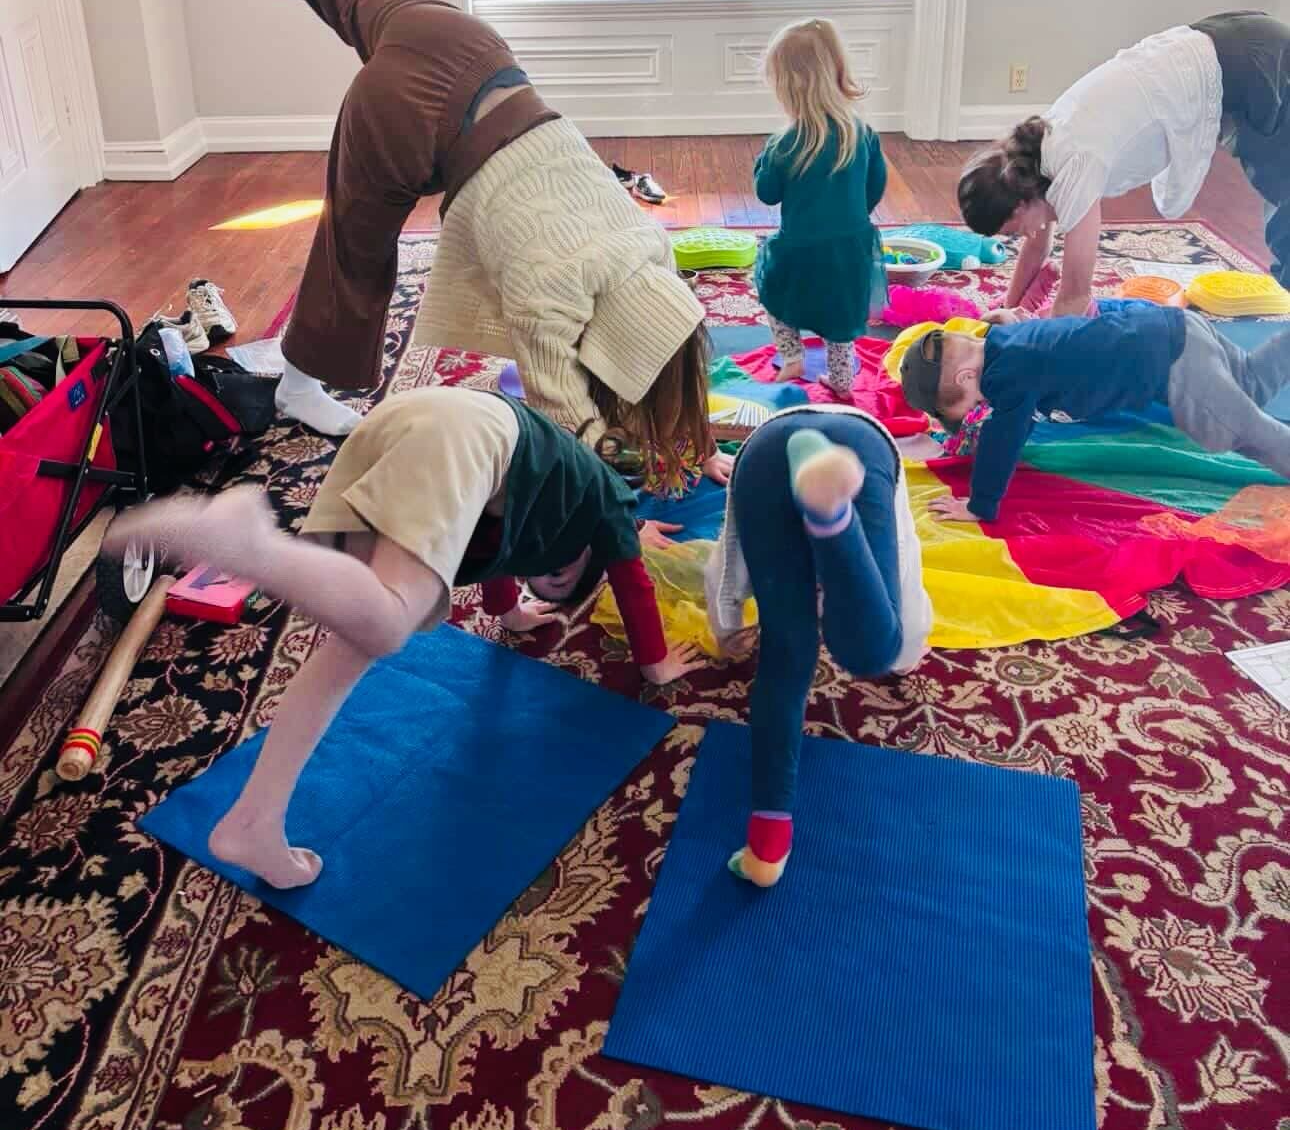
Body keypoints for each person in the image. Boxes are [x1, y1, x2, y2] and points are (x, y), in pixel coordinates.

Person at [203, 0, 728, 515]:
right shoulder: (549, 294)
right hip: (399, 113)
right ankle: (297, 388)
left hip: (465, 45)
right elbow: (563, 419)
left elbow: (680, 353)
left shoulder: (651, 250)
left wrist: (699, 444)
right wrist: (622, 508)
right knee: (354, 251)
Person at [102, 386, 703, 889]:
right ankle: (249, 545)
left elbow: (502, 559)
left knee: (356, 633)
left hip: (408, 423)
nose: (544, 577)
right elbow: (632, 580)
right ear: (588, 555)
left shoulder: (531, 518)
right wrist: (656, 665)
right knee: (391, 623)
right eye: (560, 579)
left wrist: (512, 613)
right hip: (465, 433)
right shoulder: (609, 503)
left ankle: (255, 820)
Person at [705, 407, 932, 887]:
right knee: (873, 651)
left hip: (765, 452)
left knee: (785, 659)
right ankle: (832, 519)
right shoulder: (870, 453)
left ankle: (766, 851)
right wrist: (907, 653)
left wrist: (727, 630)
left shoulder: (760, 458)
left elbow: (726, 560)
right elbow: (907, 572)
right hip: (856, 442)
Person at [956, 13, 1290, 316]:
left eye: (1013, 230)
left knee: (1284, 214)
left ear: (1019, 203)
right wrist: (1007, 311)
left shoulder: (1073, 165)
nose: (1024, 235)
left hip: (1256, 63)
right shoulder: (1037, 158)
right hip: (1231, 41)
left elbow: (1075, 298)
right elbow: (1036, 247)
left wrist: (1017, 344)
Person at [897, 302, 1290, 524]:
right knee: (1250, 383)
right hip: (1178, 325)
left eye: (968, 404)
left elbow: (1003, 439)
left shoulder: (1005, 378)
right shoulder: (1004, 340)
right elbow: (1020, 412)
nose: (979, 409)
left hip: (1177, 364)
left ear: (968, 377)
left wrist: (979, 505)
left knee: (1235, 432)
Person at [752, 19, 888, 399]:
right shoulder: (862, 134)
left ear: (788, 87)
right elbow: (875, 188)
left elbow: (767, 193)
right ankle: (842, 379)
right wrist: (850, 217)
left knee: (772, 289)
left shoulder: (784, 143)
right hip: (850, 250)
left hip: (799, 249)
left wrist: (762, 161)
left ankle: (792, 357)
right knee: (841, 318)